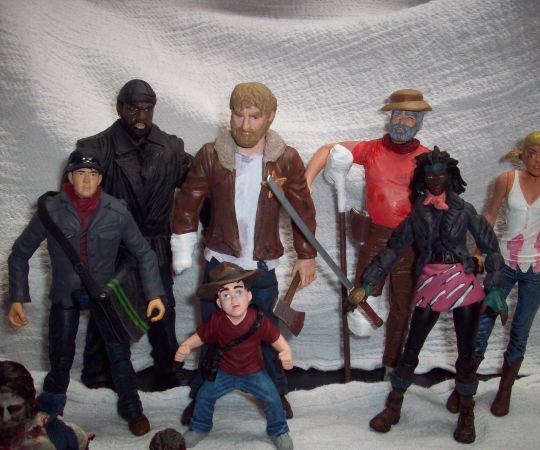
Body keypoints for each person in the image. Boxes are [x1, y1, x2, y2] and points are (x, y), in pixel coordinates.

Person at [171, 82, 317, 423]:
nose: (245, 125)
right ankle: (202, 394)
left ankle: (276, 394)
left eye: (254, 117)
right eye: (239, 115)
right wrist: (183, 241)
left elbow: (302, 209)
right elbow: (189, 200)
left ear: (270, 117)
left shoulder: (286, 159)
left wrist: (306, 254)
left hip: (261, 266)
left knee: (267, 334)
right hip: (220, 263)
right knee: (212, 332)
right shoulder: (211, 155)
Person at [7, 150, 166, 436]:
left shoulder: (116, 210)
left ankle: (132, 408)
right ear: (70, 176)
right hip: (66, 293)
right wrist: (17, 297)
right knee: (60, 357)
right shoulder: (51, 210)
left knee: (119, 354)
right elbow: (20, 252)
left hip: (104, 294)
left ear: (101, 178)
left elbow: (144, 253)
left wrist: (154, 294)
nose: (87, 180)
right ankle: (50, 410)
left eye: (93, 174)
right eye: (80, 173)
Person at [354, 147, 505, 443]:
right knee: (411, 348)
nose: (435, 181)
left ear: (450, 177)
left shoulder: (465, 210)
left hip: (461, 280)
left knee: (466, 353)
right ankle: (394, 406)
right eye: (430, 176)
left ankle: (467, 413)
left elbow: (491, 247)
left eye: (441, 175)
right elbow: (393, 249)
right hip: (431, 281)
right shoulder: (417, 215)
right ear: (423, 179)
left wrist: (496, 286)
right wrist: (368, 282)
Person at [75, 79, 192, 390]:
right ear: (119, 108)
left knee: (163, 307)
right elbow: (74, 203)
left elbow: (198, 186)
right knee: (108, 306)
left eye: (147, 109)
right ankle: (97, 372)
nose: (140, 116)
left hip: (155, 243)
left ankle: (168, 368)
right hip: (113, 246)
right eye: (133, 108)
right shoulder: (95, 148)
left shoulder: (171, 148)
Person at [446, 131, 540, 418]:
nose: (538, 160)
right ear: (523, 154)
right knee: (482, 325)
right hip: (502, 263)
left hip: (537, 267)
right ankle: (464, 385)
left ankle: (505, 390)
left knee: (520, 330)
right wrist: (478, 250)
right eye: (532, 153)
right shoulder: (507, 180)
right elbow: (489, 216)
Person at [305, 88, 431, 368]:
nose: (401, 122)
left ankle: (392, 366)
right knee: (359, 304)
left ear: (421, 122)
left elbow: (443, 202)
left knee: (403, 308)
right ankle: (365, 323)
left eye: (410, 117)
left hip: (410, 243)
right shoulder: (373, 149)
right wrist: (307, 180)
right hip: (376, 238)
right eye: (397, 114)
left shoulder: (428, 159)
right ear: (389, 118)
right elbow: (328, 150)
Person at [175, 262, 293, 449]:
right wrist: (186, 345)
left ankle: (279, 430)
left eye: (238, 291)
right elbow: (201, 336)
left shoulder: (258, 320)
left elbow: (276, 339)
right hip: (224, 372)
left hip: (254, 372)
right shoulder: (217, 320)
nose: (233, 299)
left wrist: (286, 351)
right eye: (225, 295)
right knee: (204, 395)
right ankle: (199, 427)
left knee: (272, 397)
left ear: (249, 295)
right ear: (218, 303)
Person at [0, 360, 91, 450]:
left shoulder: (51, 437)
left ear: (30, 406)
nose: (5, 418)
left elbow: (79, 439)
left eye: (15, 409)